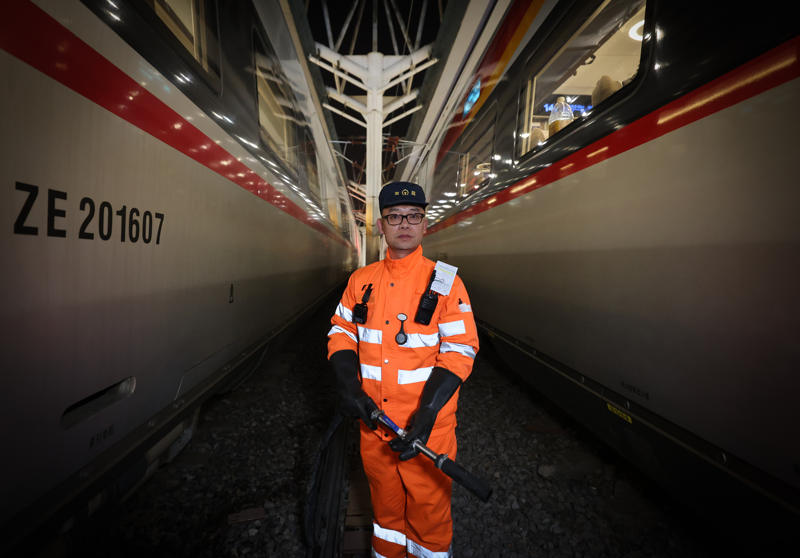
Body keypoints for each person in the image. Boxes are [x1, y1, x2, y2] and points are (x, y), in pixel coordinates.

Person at [327, 181, 479, 558]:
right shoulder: (361, 282)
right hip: (375, 426)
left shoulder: (445, 282)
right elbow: (341, 331)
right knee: (385, 514)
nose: (405, 224)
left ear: (425, 224)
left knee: (429, 514)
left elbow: (460, 350)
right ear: (381, 225)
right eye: (395, 217)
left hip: (427, 433)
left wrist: (426, 415)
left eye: (414, 216)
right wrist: (349, 386)